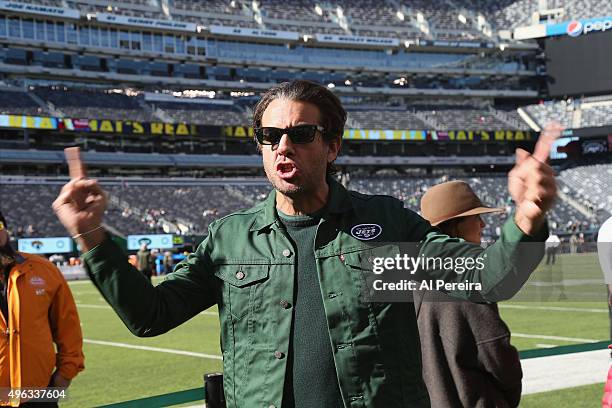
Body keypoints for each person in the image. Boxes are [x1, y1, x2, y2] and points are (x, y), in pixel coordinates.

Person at [52, 80, 558, 407]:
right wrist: (92, 235)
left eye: (301, 134)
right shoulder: (234, 238)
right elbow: (151, 315)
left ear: (332, 145)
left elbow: (491, 275)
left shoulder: (383, 226)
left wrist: (529, 215)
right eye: (270, 137)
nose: (282, 147)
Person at [414, 181, 522, 408]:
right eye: (475, 217)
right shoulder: (470, 281)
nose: (483, 224)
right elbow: (498, 358)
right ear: (454, 226)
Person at [0, 210, 84, 406]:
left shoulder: (43, 270)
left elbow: (68, 328)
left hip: (40, 394)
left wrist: (64, 376)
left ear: (6, 231)